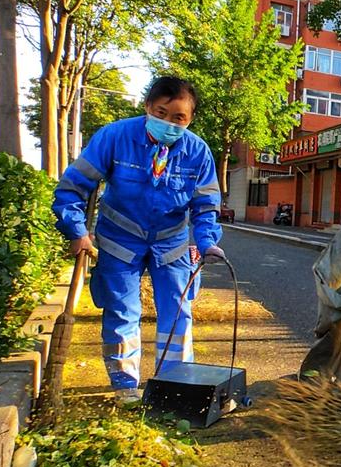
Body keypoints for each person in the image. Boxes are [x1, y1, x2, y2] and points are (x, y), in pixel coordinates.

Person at [51, 76, 225, 403]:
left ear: (190, 119)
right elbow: (73, 189)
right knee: (121, 310)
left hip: (171, 242)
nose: (169, 123)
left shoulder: (198, 152)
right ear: (147, 107)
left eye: (179, 118)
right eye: (161, 113)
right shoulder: (114, 137)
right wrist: (76, 231)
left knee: (178, 311)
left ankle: (174, 382)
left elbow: (205, 207)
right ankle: (124, 385)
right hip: (120, 239)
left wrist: (206, 242)